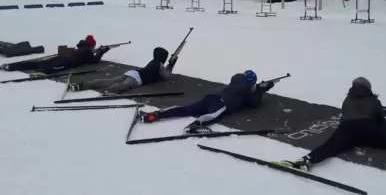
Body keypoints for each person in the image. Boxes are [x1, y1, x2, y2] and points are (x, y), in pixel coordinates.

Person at [279, 77, 386, 172]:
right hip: (369, 128)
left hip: (348, 129)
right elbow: (381, 121)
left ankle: (308, 160)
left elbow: (344, 119)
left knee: (330, 146)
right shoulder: (374, 101)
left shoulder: (347, 100)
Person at [139, 70, 275, 134]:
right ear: (252, 83)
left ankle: (157, 114)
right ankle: (195, 125)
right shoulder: (246, 89)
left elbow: (241, 86)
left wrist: (257, 88)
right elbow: (254, 103)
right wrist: (261, 90)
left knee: (185, 109)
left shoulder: (236, 81)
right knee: (213, 115)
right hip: (222, 103)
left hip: (210, 97)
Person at [69, 47, 174, 93]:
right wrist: (171, 65)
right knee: (125, 85)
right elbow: (166, 76)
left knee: (109, 80)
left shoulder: (153, 61)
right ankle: (110, 90)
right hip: (137, 78)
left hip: (132, 72)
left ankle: (83, 85)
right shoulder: (160, 65)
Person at [3, 35, 110, 75]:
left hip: (62, 57)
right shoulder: (87, 51)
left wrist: (97, 51)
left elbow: (86, 55)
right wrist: (102, 51)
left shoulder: (81, 48)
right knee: (52, 69)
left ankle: (12, 66)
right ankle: (40, 73)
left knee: (39, 63)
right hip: (67, 62)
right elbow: (94, 60)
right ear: (91, 45)